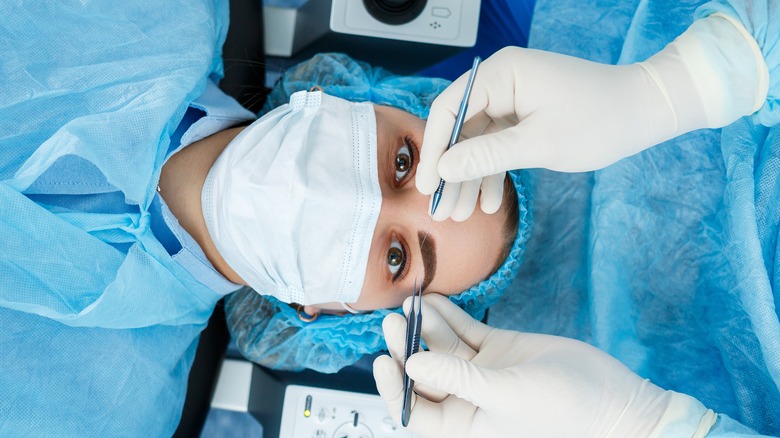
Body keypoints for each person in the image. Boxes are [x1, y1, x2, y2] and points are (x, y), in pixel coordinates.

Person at [374, 0, 779, 435]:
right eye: (396, 256)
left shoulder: (533, 35)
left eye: (401, 162)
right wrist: (643, 426)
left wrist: (690, 78)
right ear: (320, 314)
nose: (432, 198)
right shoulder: (521, 403)